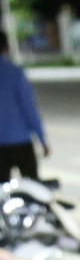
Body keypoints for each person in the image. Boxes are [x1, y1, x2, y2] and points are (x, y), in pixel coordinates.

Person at [0, 31, 51, 185]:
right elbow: (29, 108)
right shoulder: (15, 73)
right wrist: (42, 139)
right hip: (20, 141)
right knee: (32, 188)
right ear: (6, 47)